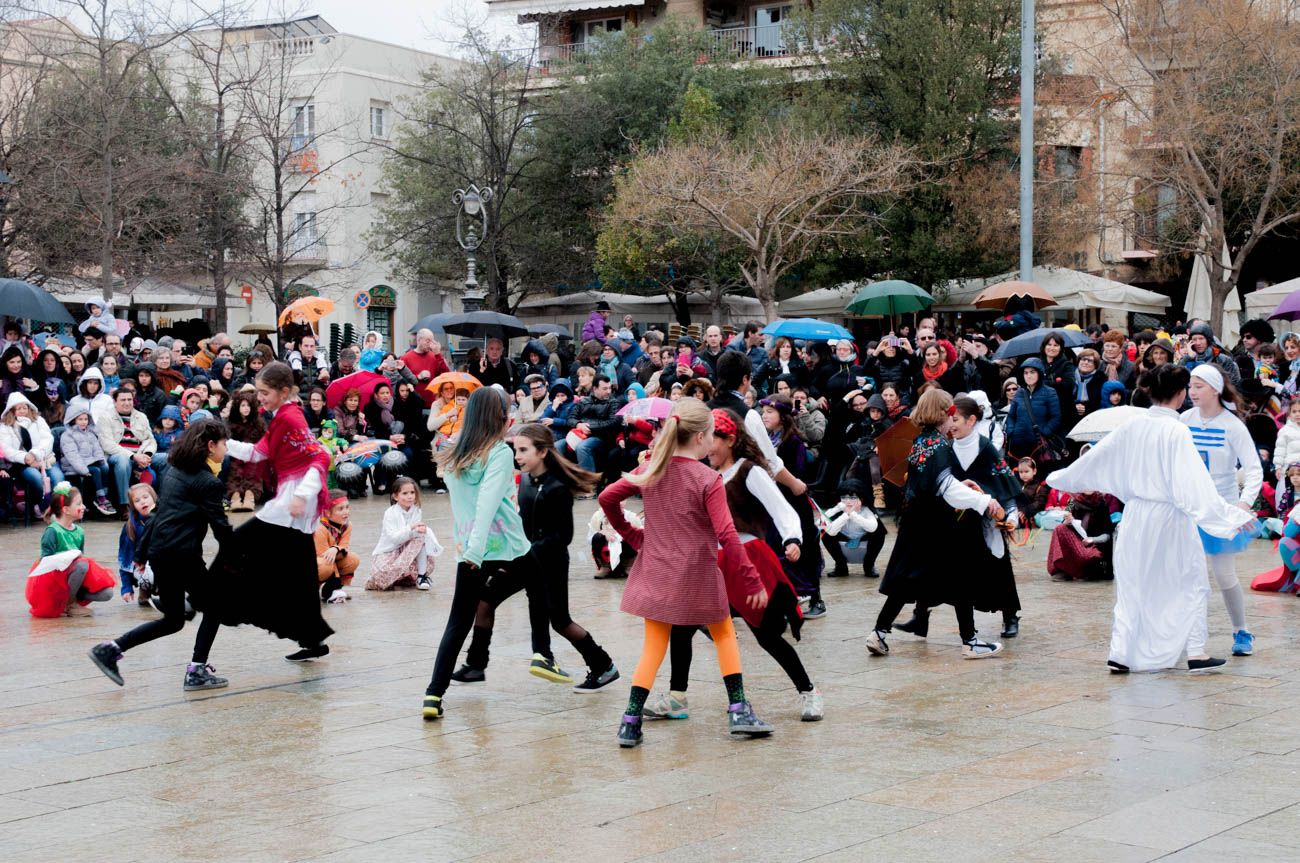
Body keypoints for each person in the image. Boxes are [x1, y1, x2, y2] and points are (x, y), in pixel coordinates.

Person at [1046, 364, 1256, 673]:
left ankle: (1121, 652)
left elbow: (1096, 458)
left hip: (1136, 515)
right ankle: (1195, 652)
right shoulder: (1177, 430)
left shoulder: (1133, 425)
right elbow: (1194, 485)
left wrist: (1060, 477)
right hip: (1171, 516)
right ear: (1181, 393)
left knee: (1133, 584)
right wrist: (1230, 515)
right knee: (1190, 580)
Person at [598, 398, 774, 748]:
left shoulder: (652, 469)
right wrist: (752, 579)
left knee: (653, 647)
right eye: (711, 435)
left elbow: (606, 497)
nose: (712, 441)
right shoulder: (707, 478)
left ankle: (630, 720)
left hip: (657, 570)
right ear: (698, 438)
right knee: (724, 634)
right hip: (697, 573)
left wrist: (635, 537)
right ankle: (738, 710)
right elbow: (726, 534)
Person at [650, 408, 822, 722]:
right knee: (682, 627)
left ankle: (808, 691)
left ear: (729, 439)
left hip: (749, 560)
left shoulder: (749, 471)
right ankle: (677, 697)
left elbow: (782, 509)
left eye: (710, 438)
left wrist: (792, 539)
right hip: (714, 563)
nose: (705, 446)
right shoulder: (710, 476)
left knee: (767, 637)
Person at [422, 388, 568, 721]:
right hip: (505, 545)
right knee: (539, 583)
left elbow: (464, 504)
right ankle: (541, 654)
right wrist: (476, 547)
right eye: (507, 414)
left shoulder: (455, 450)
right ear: (499, 418)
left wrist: (470, 548)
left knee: (457, 623)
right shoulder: (499, 453)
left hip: (468, 548)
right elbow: (487, 501)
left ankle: (433, 695)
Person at [451, 424, 621, 693]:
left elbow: (563, 536)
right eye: (516, 449)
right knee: (485, 600)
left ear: (542, 452)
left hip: (549, 564)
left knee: (561, 621)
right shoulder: (527, 480)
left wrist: (526, 553)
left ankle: (603, 666)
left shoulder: (558, 487)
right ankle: (476, 664)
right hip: (523, 560)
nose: (517, 456)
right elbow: (519, 524)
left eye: (523, 450)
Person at [88, 420, 234, 690]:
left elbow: (157, 515)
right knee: (215, 607)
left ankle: (110, 649)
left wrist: (142, 553)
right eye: (224, 443)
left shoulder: (175, 471)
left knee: (173, 620)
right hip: (183, 555)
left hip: (161, 553)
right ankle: (197, 671)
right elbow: (221, 527)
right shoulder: (207, 482)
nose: (227, 448)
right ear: (210, 445)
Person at [865, 389, 1006, 660]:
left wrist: (959, 485)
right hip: (937, 525)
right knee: (961, 579)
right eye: (950, 412)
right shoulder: (940, 446)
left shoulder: (921, 442)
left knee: (908, 580)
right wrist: (984, 500)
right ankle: (970, 642)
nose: (953, 418)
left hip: (915, 522)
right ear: (944, 413)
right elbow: (946, 488)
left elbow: (935, 482)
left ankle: (879, 632)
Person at [219, 361, 334, 662]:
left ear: (284, 392)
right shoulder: (281, 416)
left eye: (264, 392)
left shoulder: (291, 418)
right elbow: (257, 452)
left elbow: (321, 457)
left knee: (238, 542)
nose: (259, 398)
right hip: (294, 497)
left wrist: (301, 496)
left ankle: (198, 597)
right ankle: (313, 640)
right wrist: (220, 443)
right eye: (257, 392)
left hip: (292, 499)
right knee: (302, 571)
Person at [894, 396, 1024, 641]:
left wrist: (1009, 516)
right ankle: (920, 615)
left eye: (955, 419)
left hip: (984, 519)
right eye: (949, 419)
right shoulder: (946, 447)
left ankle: (1010, 615)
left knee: (998, 567)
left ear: (972, 420)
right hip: (952, 521)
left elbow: (1004, 485)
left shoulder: (985, 448)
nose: (950, 424)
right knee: (936, 566)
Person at [1181, 364, 1261, 657]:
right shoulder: (1184, 420)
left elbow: (1253, 469)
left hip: (1221, 508)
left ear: (1215, 389)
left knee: (1224, 575)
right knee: (1185, 573)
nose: (1192, 392)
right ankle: (1184, 634)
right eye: (1190, 386)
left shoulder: (1232, 425)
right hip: (1189, 507)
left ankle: (1242, 629)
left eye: (1199, 386)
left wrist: (1243, 503)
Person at [26, 483, 115, 617]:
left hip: (72, 579)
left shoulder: (79, 531)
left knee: (107, 593)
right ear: (66, 510)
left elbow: (81, 557)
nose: (83, 507)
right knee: (82, 564)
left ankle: (71, 599)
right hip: (53, 581)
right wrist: (66, 558)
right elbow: (46, 562)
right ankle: (70, 604)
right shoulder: (52, 531)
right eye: (79, 504)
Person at [366, 476, 444, 591]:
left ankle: (421, 576)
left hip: (407, 549)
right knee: (382, 579)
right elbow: (394, 539)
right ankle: (400, 576)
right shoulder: (390, 513)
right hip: (390, 550)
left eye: (412, 492)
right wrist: (411, 527)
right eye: (405, 493)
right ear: (395, 496)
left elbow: (414, 535)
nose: (410, 496)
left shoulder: (416, 510)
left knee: (421, 536)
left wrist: (419, 530)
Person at [99, 388, 167, 509]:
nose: (127, 403)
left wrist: (147, 455)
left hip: (141, 455)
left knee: (165, 458)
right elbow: (107, 444)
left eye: (129, 399)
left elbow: (150, 440)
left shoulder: (141, 417)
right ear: (115, 402)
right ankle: (125, 505)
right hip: (118, 456)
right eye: (123, 400)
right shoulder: (105, 417)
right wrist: (133, 456)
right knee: (123, 461)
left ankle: (162, 501)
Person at [1, 392, 63, 517]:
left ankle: (56, 509)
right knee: (36, 479)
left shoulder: (38, 421)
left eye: (25, 407)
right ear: (11, 410)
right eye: (18, 408)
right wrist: (25, 457)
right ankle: (42, 506)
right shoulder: (5, 426)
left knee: (58, 479)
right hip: (22, 464)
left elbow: (47, 439)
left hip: (45, 459)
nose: (22, 411)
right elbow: (6, 449)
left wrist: (35, 454)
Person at [822, 479, 887, 579]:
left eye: (852, 498)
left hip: (864, 540)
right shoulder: (839, 509)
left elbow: (872, 527)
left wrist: (852, 514)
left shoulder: (866, 510)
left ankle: (869, 566)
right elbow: (827, 527)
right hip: (843, 539)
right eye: (843, 497)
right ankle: (841, 566)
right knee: (825, 532)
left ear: (861, 498)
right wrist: (841, 511)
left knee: (879, 532)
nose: (848, 501)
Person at [58, 404, 115, 516]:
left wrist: (101, 460)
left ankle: (104, 495)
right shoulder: (67, 435)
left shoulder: (90, 434)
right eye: (80, 419)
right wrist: (83, 470)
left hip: (89, 462)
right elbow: (73, 456)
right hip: (73, 466)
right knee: (96, 471)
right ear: (73, 420)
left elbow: (97, 450)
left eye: (85, 419)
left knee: (104, 468)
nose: (84, 422)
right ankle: (101, 498)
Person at [1005, 358, 1062, 464]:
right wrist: (1011, 431)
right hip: (1017, 444)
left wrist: (1045, 431)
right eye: (1026, 373)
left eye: (1032, 372)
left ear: (1039, 373)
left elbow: (1056, 418)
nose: (1028, 375)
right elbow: (1011, 416)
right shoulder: (1019, 393)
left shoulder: (1049, 392)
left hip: (1038, 445)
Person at [225, 391, 265, 512]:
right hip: (235, 455)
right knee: (234, 469)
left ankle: (250, 495)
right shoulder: (230, 424)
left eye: (248, 405)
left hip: (253, 455)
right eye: (243, 405)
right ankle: (235, 495)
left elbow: (262, 442)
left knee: (253, 468)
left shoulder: (258, 424)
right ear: (237, 407)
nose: (246, 408)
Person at [315, 491, 358, 603]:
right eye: (340, 509)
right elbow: (324, 555)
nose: (346, 512)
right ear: (328, 513)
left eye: (347, 507)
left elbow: (344, 546)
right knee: (326, 564)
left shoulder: (347, 525)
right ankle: (333, 589)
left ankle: (329, 590)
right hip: (319, 560)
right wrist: (334, 550)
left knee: (353, 559)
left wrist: (335, 548)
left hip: (331, 557)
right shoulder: (319, 528)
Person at [117, 483, 156, 604]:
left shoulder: (166, 518)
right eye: (137, 500)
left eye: (146, 497)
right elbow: (125, 559)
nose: (143, 502)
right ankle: (145, 590)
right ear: (133, 506)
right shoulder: (131, 526)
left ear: (154, 498)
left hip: (165, 563)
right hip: (143, 567)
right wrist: (126, 587)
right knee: (146, 572)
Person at [402, 329, 451, 406]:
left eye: (432, 341)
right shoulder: (406, 357)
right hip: (413, 404)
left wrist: (438, 354)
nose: (430, 344)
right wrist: (418, 376)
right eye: (428, 341)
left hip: (433, 402)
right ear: (419, 340)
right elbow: (402, 381)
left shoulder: (435, 356)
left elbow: (446, 375)